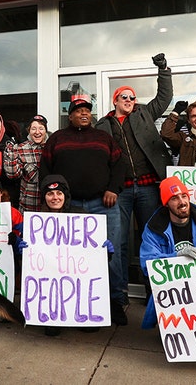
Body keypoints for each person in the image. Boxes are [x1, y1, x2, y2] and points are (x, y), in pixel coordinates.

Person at [94, 52, 173, 316]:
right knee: (118, 243)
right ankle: (118, 298)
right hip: (121, 192)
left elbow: (164, 97)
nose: (130, 100)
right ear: (115, 100)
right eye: (125, 97)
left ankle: (157, 294)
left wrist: (163, 69)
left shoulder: (144, 115)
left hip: (150, 187)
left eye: (132, 97)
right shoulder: (102, 125)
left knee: (151, 240)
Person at [41, 96, 128, 326]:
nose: (83, 113)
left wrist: (113, 189)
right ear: (69, 116)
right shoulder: (57, 139)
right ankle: (80, 304)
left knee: (111, 253)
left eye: (87, 110)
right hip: (68, 209)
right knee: (71, 259)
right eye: (78, 110)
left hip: (103, 204)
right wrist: (51, 200)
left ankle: (116, 302)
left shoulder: (103, 138)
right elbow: (46, 171)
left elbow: (120, 166)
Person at [139, 175, 196, 365]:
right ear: (166, 203)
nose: (181, 202)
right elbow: (148, 263)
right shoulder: (154, 227)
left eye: (184, 196)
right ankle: (174, 331)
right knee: (182, 340)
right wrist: (179, 258)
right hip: (174, 291)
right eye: (174, 198)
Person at [30, 174, 113, 336]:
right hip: (51, 284)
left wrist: (105, 252)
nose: (55, 198)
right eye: (50, 194)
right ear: (44, 197)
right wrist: (23, 251)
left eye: (59, 193)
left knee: (91, 328)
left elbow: (94, 263)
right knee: (51, 331)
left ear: (65, 196)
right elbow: (31, 265)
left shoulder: (81, 217)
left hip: (77, 280)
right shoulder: (37, 223)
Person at [3, 114, 48, 214]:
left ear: (46, 130)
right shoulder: (20, 148)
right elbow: (13, 175)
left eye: (41, 128)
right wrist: (11, 153)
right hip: (28, 206)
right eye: (33, 128)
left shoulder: (52, 146)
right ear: (29, 130)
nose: (37, 132)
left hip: (50, 206)